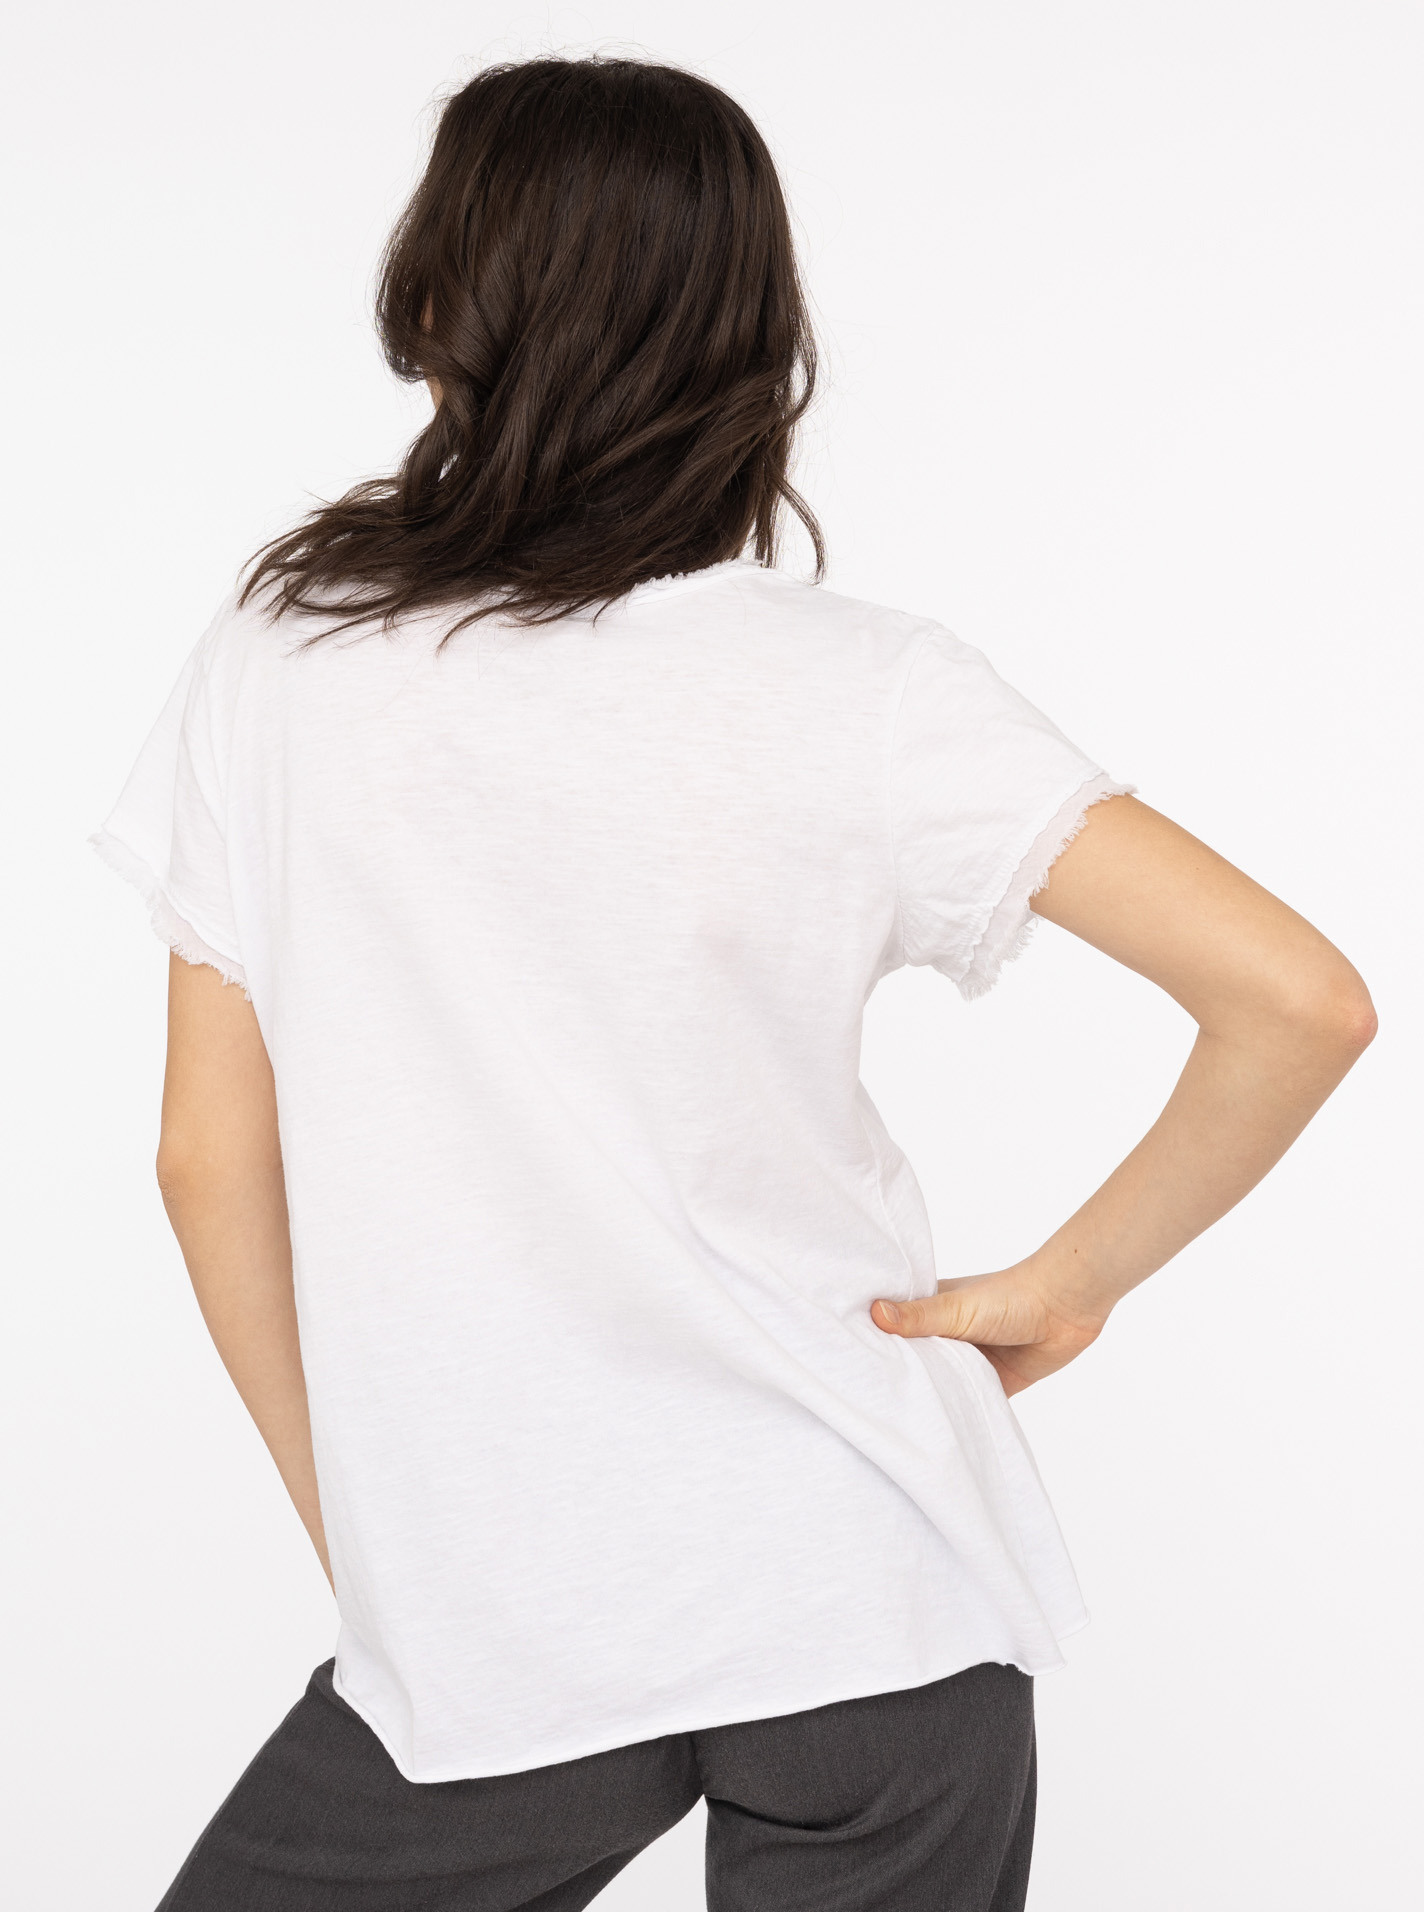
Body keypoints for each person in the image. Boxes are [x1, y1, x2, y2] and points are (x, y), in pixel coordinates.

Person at [93, 55, 1375, 1912]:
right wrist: (1066, 1285)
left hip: (505, 1617)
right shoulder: (871, 690)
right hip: (872, 1588)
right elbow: (1300, 1001)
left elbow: (207, 1160)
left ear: (439, 302)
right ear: (753, 342)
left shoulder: (284, 660)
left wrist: (381, 1543)